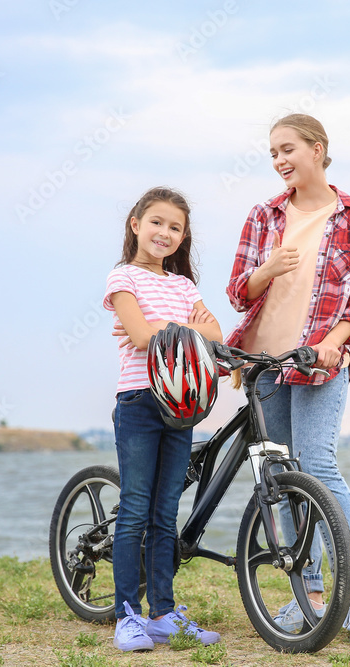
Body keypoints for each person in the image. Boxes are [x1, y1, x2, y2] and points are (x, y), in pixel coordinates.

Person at [225, 113, 350, 644]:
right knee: (283, 480)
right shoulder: (264, 215)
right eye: (272, 153)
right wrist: (267, 269)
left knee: (319, 467)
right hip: (264, 366)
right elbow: (239, 292)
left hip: (319, 362)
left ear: (317, 148)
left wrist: (331, 345)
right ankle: (309, 597)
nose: (279, 161)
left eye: (287, 149)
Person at [102, 187, 223, 652]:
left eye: (175, 227)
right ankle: (127, 615)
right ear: (135, 223)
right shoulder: (122, 278)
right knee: (134, 509)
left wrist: (169, 331)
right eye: (156, 222)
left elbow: (215, 334)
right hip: (139, 401)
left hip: (182, 405)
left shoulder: (183, 285)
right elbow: (136, 335)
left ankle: (164, 613)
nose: (164, 233)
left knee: (165, 513)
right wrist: (184, 330)